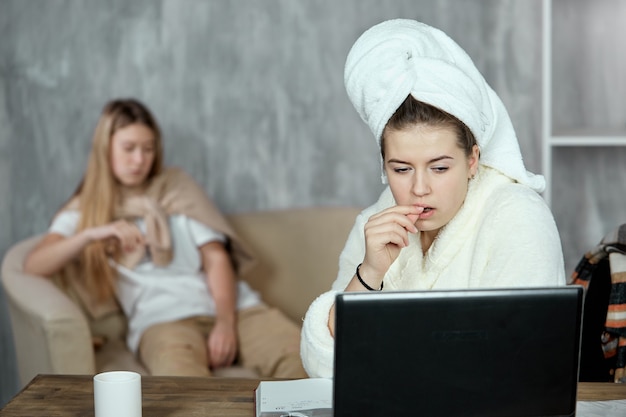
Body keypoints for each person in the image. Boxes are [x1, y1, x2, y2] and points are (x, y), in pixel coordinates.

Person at [300, 19, 566, 378]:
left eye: (439, 168)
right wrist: (370, 273)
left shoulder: (517, 216)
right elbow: (322, 365)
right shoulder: (375, 223)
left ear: (472, 160)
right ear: (383, 166)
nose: (419, 188)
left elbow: (522, 366)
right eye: (401, 169)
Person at [24, 98, 307, 378]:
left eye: (148, 149)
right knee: (184, 394)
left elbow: (216, 258)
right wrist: (90, 234)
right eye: (129, 148)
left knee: (307, 361)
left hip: (238, 310)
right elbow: (34, 265)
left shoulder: (176, 190)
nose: (139, 160)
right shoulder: (85, 210)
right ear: (105, 148)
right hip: (162, 321)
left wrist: (225, 322)